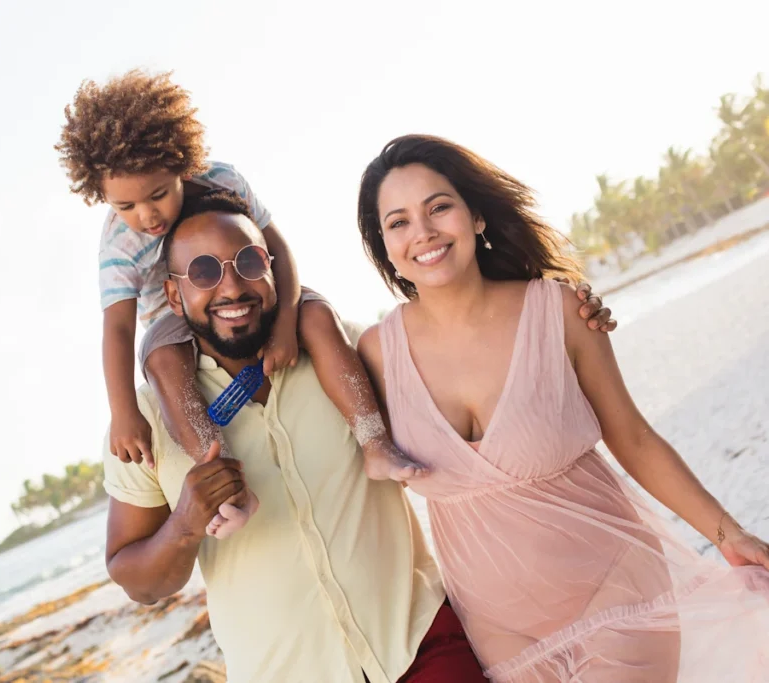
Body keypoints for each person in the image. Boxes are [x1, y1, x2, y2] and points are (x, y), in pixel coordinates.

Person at [101, 190, 616, 683]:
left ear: (273, 267)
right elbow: (138, 580)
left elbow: (481, 362)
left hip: (420, 645)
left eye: (251, 264)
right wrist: (184, 526)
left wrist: (567, 316)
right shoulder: (145, 422)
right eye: (203, 273)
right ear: (172, 293)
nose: (232, 289)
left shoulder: (349, 356)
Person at [356, 134, 769, 682]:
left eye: (439, 207)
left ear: (475, 215)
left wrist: (728, 533)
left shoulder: (562, 312)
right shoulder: (375, 354)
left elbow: (635, 440)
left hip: (615, 590)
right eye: (399, 221)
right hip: (501, 633)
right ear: (384, 246)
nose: (424, 232)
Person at [56, 70, 433, 538]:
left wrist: (288, 319)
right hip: (177, 317)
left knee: (318, 315)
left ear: (180, 164)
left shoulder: (223, 178)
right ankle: (231, 487)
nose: (146, 215)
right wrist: (123, 411)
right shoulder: (118, 242)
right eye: (125, 205)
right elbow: (117, 329)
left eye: (157, 195)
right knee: (162, 362)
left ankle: (375, 442)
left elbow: (279, 248)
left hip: (255, 286)